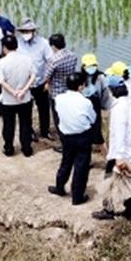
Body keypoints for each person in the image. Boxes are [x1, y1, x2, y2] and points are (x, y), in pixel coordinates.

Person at [93, 75, 131, 221]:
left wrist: (119, 156)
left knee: (109, 178)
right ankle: (130, 211)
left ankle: (108, 210)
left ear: (112, 90)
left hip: (122, 152)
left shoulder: (118, 108)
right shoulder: (130, 103)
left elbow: (119, 131)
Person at [48, 72, 96, 205]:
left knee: (66, 162)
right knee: (81, 166)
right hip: (82, 137)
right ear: (80, 87)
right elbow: (92, 118)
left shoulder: (59, 98)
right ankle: (77, 196)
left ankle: (59, 187)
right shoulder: (85, 102)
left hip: (66, 136)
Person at [0, 35, 36, 157]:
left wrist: (13, 92)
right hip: (25, 98)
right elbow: (33, 76)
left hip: (8, 101)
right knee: (26, 124)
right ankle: (27, 149)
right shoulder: (26, 59)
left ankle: (9, 149)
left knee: (8, 125)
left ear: (4, 47)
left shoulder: (2, 62)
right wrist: (23, 91)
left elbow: (1, 81)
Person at [16, 18, 54, 141]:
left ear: (33, 31)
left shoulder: (43, 43)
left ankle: (45, 131)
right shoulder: (18, 43)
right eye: (23, 31)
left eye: (28, 31)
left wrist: (48, 81)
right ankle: (30, 132)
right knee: (26, 110)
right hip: (24, 84)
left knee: (44, 108)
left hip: (40, 82)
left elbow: (50, 62)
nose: (26, 33)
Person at [45, 34, 79, 145]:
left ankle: (64, 143)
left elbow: (46, 76)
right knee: (68, 116)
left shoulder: (53, 60)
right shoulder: (73, 55)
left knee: (58, 119)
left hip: (56, 92)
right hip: (69, 90)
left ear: (53, 46)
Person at [80, 54, 110, 151]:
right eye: (89, 66)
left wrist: (104, 106)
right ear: (83, 66)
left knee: (97, 133)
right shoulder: (80, 78)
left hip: (95, 106)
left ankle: (107, 158)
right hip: (83, 107)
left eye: (93, 65)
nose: (91, 68)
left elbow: (105, 94)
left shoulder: (101, 77)